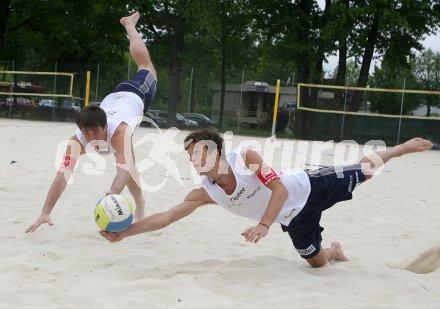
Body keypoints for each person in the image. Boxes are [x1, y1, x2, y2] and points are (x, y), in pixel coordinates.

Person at [100, 128, 433, 268]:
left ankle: (399, 149)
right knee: (317, 263)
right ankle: (334, 250)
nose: (192, 159)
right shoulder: (206, 193)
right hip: (293, 219)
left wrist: (263, 223)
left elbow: (280, 189)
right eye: (189, 155)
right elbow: (167, 217)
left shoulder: (245, 156)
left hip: (308, 188)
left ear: (215, 153)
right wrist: (124, 233)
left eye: (196, 152)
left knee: (364, 171)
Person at [25, 12, 157, 233]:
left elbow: (122, 170)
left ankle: (129, 26)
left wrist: (113, 192)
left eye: (95, 132)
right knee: (129, 158)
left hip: (136, 93)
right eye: (86, 133)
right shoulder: (76, 143)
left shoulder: (119, 132)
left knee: (146, 66)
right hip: (115, 100)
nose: (90, 138)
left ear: (105, 127)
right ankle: (141, 202)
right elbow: (62, 175)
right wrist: (45, 211)